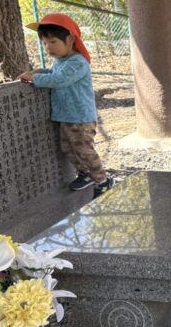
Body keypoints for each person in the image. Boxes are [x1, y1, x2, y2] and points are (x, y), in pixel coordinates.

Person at [18, 14, 113, 199]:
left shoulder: (78, 62)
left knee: (84, 149)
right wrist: (41, 72)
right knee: (69, 148)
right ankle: (85, 174)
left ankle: (103, 180)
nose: (48, 47)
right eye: (45, 43)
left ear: (70, 40)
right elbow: (55, 73)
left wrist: (36, 78)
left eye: (53, 42)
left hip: (80, 117)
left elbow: (60, 79)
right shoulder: (61, 61)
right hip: (66, 116)